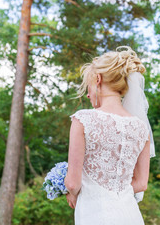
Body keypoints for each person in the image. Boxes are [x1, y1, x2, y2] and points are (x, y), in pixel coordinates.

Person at [64, 46, 153, 224]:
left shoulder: (83, 119)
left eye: (88, 87)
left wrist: (69, 191)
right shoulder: (142, 128)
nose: (88, 94)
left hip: (95, 214)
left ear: (98, 79)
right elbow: (141, 183)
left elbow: (73, 183)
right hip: (130, 215)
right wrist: (116, 191)